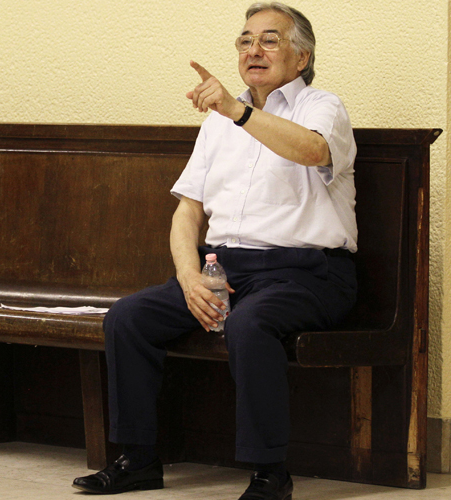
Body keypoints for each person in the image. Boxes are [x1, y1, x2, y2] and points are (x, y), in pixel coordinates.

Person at [72, 3, 357, 500]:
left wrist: (238, 111)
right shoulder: (219, 121)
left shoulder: (322, 107)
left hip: (308, 273)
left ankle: (270, 474)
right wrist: (187, 277)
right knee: (128, 317)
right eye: (245, 41)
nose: (254, 50)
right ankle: (137, 459)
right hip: (226, 269)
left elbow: (312, 151)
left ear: (301, 57)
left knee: (249, 323)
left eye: (270, 40)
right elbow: (188, 212)